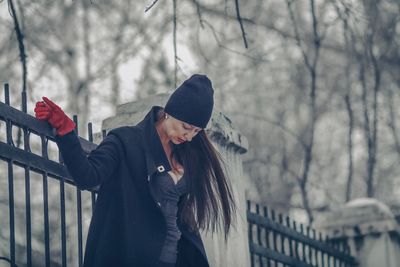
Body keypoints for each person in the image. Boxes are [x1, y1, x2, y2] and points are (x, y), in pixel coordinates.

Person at [34, 74, 236, 267]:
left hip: (176, 259)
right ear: (170, 112)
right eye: (186, 126)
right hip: (130, 257)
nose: (189, 136)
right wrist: (66, 132)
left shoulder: (187, 153)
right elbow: (88, 176)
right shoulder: (125, 141)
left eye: (196, 131)